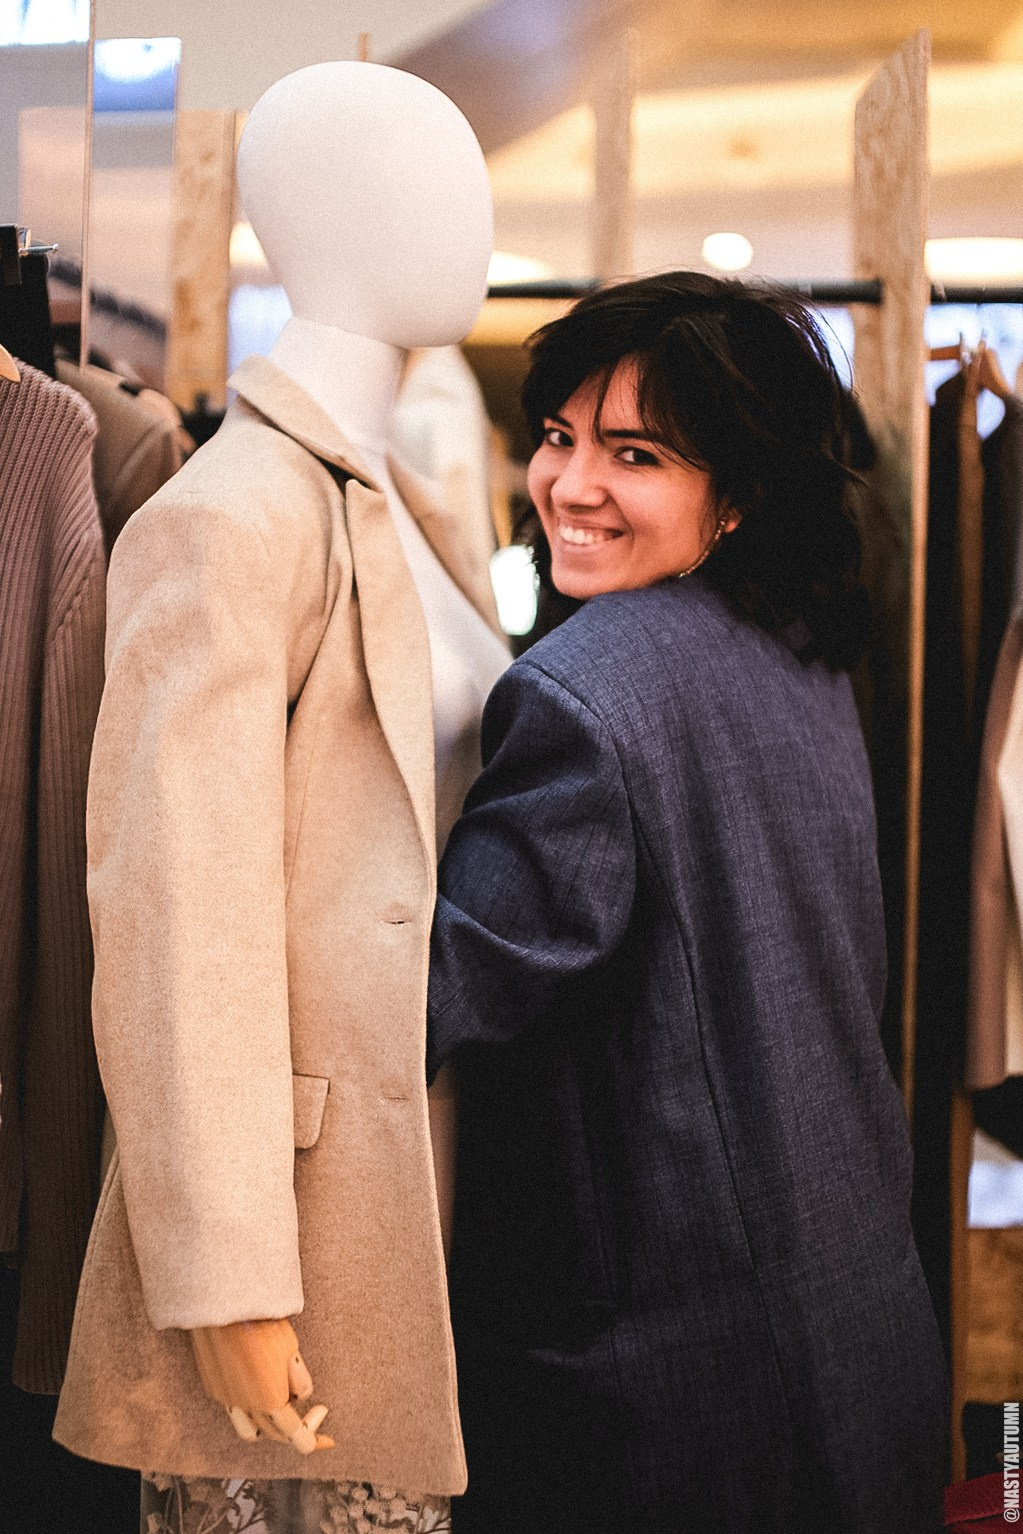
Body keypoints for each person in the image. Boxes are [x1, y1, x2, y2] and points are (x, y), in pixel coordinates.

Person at [54, 61, 508, 1534]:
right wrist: (224, 1272)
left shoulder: (400, 496)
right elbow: (178, 911)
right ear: (318, 214)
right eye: (433, 174)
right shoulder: (228, 516)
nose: (474, 211)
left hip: (427, 1166)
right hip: (296, 1224)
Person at [426, 272, 949, 1534]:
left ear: (740, 492)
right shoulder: (800, 644)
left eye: (637, 454)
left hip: (676, 1380)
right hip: (858, 1317)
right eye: (559, 436)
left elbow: (440, 997)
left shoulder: (584, 690)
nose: (569, 484)